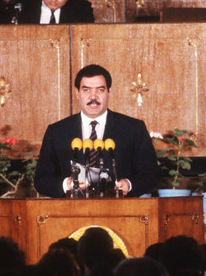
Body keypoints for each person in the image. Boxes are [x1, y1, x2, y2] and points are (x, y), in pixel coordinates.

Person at [34, 64, 161, 198]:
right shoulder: (57, 131)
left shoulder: (133, 128)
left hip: (121, 212)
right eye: (86, 90)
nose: (93, 97)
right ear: (77, 93)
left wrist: (129, 184)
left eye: (100, 90)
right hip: (72, 213)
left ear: (108, 92)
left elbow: (152, 174)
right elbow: (41, 180)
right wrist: (66, 184)